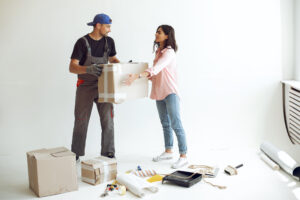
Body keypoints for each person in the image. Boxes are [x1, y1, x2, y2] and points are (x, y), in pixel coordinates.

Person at [125, 25, 188, 169]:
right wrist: (139, 76)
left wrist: (139, 75)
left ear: (167, 36)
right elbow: (156, 75)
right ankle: (168, 151)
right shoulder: (159, 52)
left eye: (159, 32)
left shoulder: (169, 52)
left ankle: (183, 156)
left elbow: (157, 68)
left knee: (176, 124)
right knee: (165, 123)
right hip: (159, 92)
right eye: (156, 31)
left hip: (170, 92)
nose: (156, 34)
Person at [69, 13, 120, 162]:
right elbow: (72, 67)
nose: (109, 30)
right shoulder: (82, 42)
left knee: (108, 119)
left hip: (104, 85)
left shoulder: (109, 42)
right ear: (98, 25)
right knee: (81, 119)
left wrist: (123, 68)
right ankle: (76, 152)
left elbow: (113, 59)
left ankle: (108, 152)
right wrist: (87, 69)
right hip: (85, 86)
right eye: (107, 26)